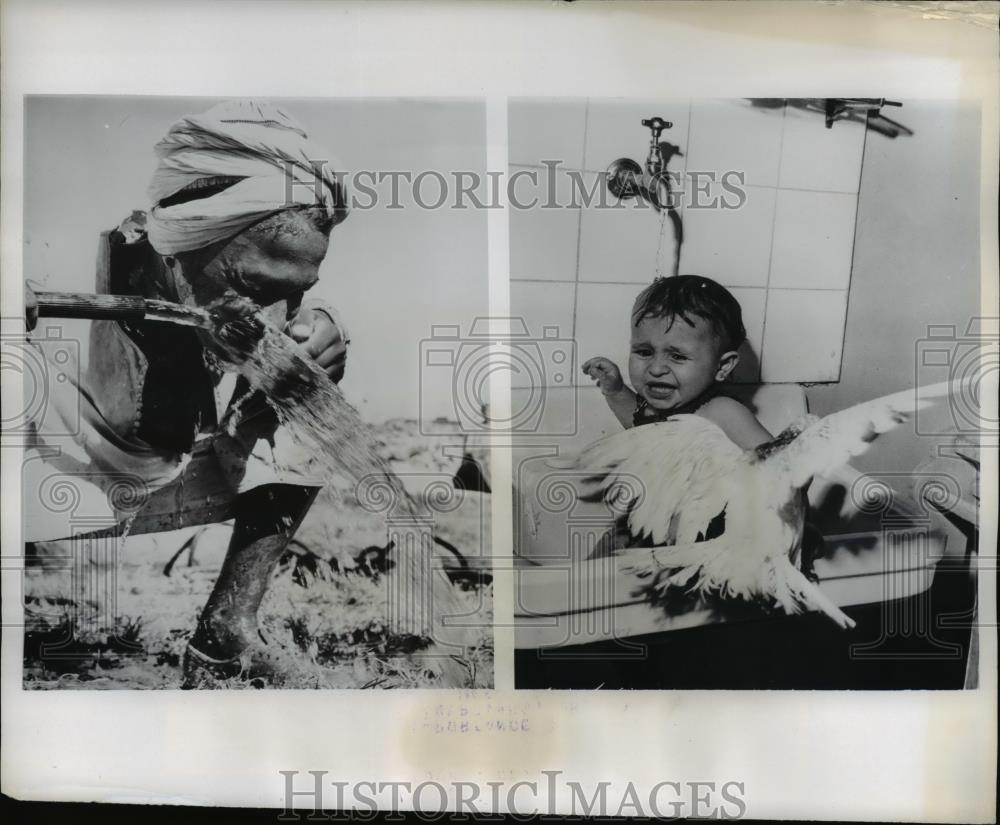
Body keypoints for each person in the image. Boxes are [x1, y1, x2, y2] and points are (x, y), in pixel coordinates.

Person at [23, 101, 351, 687]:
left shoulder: (266, 315)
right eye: (254, 286)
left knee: (313, 375)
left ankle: (226, 631)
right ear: (181, 239)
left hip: (166, 482)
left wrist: (326, 329)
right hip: (40, 479)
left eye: (297, 294)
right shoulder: (39, 266)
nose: (276, 320)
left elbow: (298, 324)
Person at [582, 275, 771, 450]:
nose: (655, 369)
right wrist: (615, 391)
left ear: (723, 366)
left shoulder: (722, 412)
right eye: (645, 352)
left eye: (677, 356)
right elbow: (639, 430)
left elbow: (778, 464)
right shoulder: (661, 406)